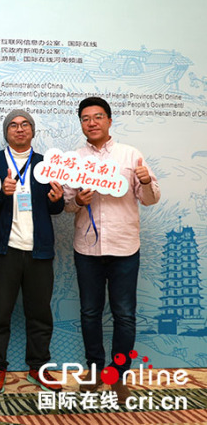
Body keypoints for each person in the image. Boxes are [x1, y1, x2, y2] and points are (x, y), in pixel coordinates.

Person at [64, 96, 160, 403]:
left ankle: (118, 375)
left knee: (124, 314)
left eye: (97, 117)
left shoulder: (130, 155)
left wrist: (146, 181)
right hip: (87, 248)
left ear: (109, 120)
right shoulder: (74, 159)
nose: (91, 123)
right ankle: (94, 371)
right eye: (85, 118)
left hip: (124, 247)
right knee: (90, 313)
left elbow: (150, 199)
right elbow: (67, 205)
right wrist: (77, 201)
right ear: (81, 124)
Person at [0, 110, 64, 394]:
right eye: (13, 125)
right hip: (4, 251)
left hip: (39, 251)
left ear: (32, 131)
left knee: (40, 314)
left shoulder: (45, 164)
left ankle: (38, 367)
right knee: (0, 314)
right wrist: (1, 195)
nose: (20, 129)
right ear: (6, 132)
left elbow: (54, 208)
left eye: (25, 124)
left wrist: (57, 199)